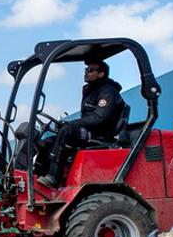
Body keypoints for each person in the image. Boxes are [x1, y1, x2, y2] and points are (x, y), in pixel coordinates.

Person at [36, 60, 124, 189]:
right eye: (86, 69)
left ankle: (54, 177)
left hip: (102, 134)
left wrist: (72, 124)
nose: (86, 72)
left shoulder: (108, 92)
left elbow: (99, 118)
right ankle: (37, 176)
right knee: (49, 141)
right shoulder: (91, 90)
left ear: (101, 74)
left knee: (67, 131)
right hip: (91, 130)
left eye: (90, 70)